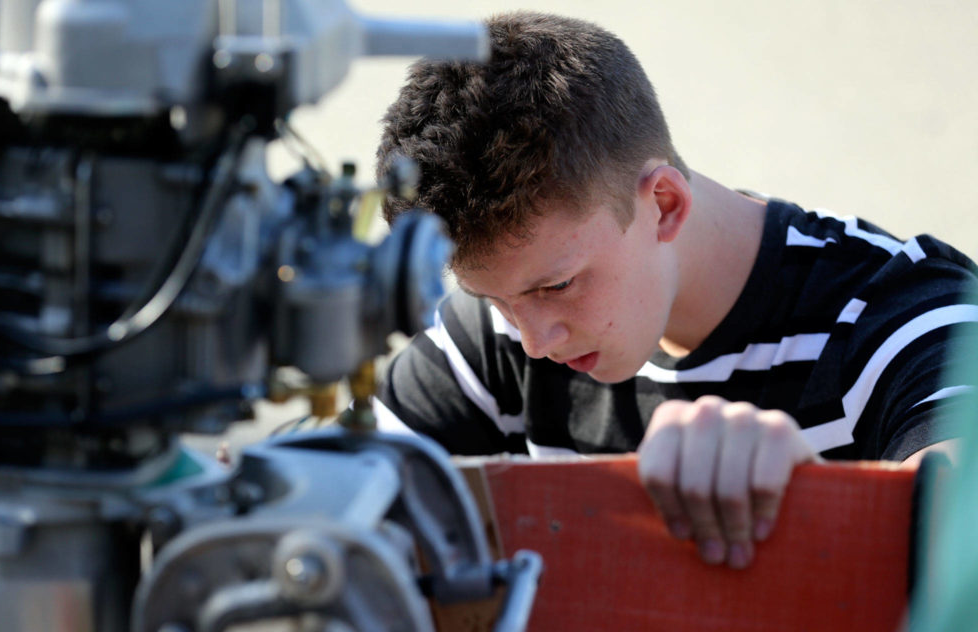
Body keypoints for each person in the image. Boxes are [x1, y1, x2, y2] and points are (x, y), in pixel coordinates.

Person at [372, 11, 978, 569]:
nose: (533, 339)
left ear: (664, 204)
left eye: (557, 285)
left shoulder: (906, 317)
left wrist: (815, 501)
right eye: (494, 299)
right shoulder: (495, 334)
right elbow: (336, 497)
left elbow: (962, 515)